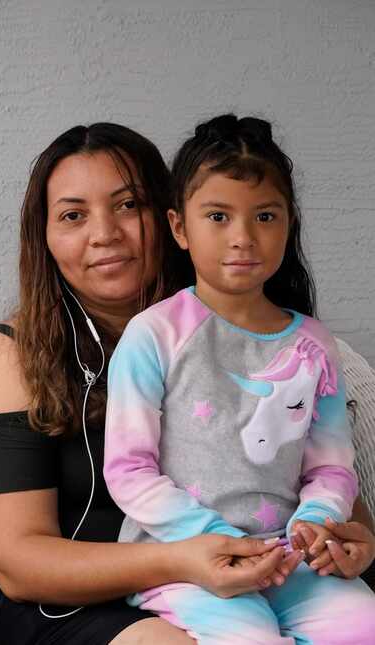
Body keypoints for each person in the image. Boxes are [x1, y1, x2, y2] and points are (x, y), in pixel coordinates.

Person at [0, 122, 306, 645]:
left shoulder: (256, 331)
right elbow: (18, 562)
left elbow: (320, 472)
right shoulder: (16, 353)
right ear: (45, 236)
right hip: (64, 595)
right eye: (74, 216)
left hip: (228, 578)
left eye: (128, 206)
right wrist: (181, 561)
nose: (105, 234)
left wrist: (341, 533)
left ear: (173, 220)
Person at [103, 114, 375, 644]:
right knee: (246, 637)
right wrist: (216, 540)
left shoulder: (314, 347)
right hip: (186, 558)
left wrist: (315, 524)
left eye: (265, 216)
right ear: (180, 228)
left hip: (289, 557)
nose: (244, 237)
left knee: (363, 625)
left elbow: (333, 468)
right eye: (219, 216)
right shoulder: (154, 335)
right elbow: (128, 469)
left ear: (288, 223)